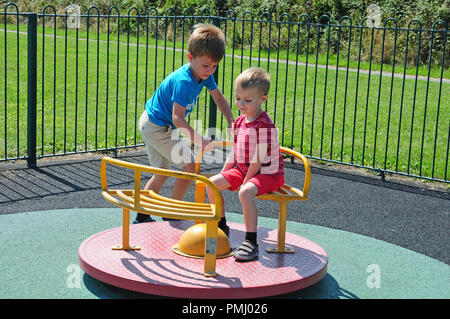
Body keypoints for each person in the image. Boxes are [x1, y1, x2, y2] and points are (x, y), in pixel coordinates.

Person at [134, 23, 234, 224]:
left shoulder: (204, 75)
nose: (210, 70)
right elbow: (178, 118)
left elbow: (219, 99)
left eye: (214, 66)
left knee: (162, 173)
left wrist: (232, 121)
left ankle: (141, 215)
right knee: (190, 165)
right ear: (190, 57)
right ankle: (171, 211)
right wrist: (200, 140)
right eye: (206, 65)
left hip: (154, 123)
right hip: (156, 126)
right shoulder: (184, 81)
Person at [206, 67, 285, 261]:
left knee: (245, 192)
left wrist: (246, 181)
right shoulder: (240, 121)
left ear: (263, 99)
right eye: (238, 98)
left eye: (248, 100)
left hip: (268, 172)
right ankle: (221, 226)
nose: (241, 103)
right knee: (211, 184)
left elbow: (258, 159)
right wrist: (223, 173)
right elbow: (236, 150)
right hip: (244, 169)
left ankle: (251, 242)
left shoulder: (264, 124)